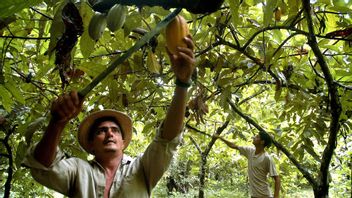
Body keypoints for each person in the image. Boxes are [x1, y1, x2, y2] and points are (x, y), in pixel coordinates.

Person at [22, 36, 195, 198]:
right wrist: (57, 122)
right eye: (101, 131)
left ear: (123, 142)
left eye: (115, 131)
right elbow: (42, 165)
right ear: (91, 144)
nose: (109, 134)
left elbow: (167, 140)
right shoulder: (78, 169)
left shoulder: (142, 168)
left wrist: (182, 83)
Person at [215, 132, 280, 198]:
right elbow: (234, 146)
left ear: (262, 142)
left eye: (257, 137)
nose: (254, 137)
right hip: (254, 195)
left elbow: (277, 178)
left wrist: (276, 196)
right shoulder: (250, 151)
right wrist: (220, 137)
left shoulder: (267, 158)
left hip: (265, 195)